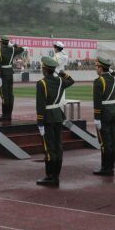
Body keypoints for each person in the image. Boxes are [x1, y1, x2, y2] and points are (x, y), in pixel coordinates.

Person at [35, 56, 75, 186]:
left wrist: (40, 122)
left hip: (47, 117)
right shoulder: (60, 81)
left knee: (49, 148)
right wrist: (61, 72)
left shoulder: (42, 83)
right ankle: (56, 175)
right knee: (58, 146)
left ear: (45, 69)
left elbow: (40, 105)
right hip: (58, 116)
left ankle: (50, 176)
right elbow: (71, 80)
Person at [92, 57, 115, 176]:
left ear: (101, 68)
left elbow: (97, 101)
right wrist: (112, 71)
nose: (96, 69)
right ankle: (111, 165)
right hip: (114, 110)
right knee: (113, 141)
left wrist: (96, 117)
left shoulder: (98, 81)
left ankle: (106, 168)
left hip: (104, 112)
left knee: (105, 142)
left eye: (97, 67)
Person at [0, 35, 25, 123]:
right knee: (10, 94)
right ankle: (9, 114)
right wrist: (13, 45)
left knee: (4, 95)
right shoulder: (12, 50)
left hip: (3, 74)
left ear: (1, 42)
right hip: (10, 73)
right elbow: (21, 49)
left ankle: (5, 115)